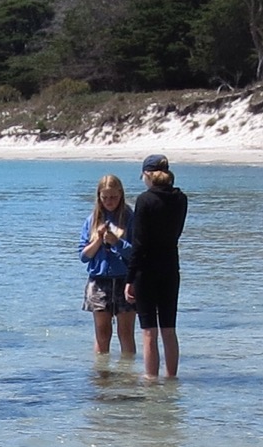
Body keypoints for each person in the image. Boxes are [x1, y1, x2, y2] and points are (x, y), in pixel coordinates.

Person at [128, 153, 186, 377]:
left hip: (146, 270)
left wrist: (129, 278)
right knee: (169, 330)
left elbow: (139, 243)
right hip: (170, 267)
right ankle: (171, 379)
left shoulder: (145, 200)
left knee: (149, 332)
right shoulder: (181, 199)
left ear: (147, 175)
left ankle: (151, 382)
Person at [80, 173, 137, 362]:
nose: (109, 202)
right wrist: (98, 240)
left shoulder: (130, 218)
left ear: (121, 194)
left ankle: (127, 374)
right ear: (99, 197)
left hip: (124, 280)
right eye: (105, 197)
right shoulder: (92, 220)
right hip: (99, 281)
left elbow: (136, 253)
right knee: (102, 333)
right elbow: (83, 256)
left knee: (126, 332)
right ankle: (101, 375)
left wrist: (116, 242)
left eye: (113, 197)